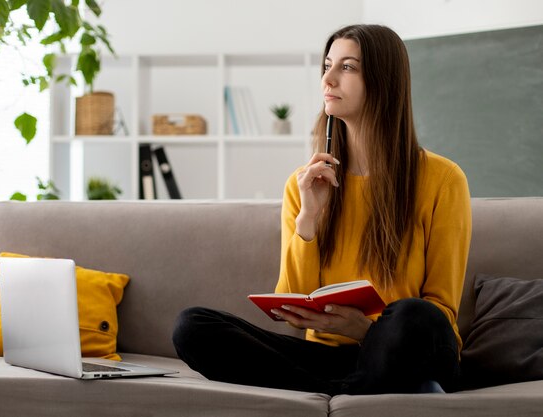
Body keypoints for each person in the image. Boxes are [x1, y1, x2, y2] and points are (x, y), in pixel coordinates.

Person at [172, 24, 472, 395]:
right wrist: (308, 219)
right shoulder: (306, 183)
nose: (328, 79)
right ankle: (351, 390)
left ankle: (339, 390)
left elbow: (441, 310)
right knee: (193, 327)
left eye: (347, 67)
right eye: (327, 65)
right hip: (329, 355)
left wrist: (365, 330)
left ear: (383, 81)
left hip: (409, 348)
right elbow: (293, 303)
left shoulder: (443, 179)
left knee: (413, 314)